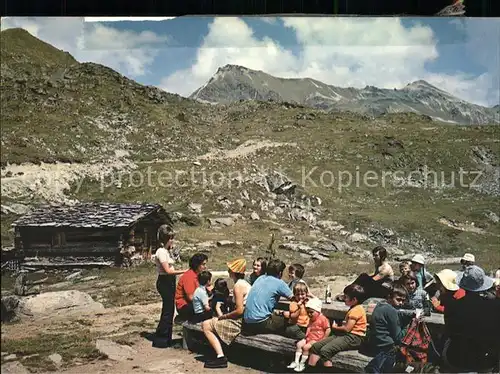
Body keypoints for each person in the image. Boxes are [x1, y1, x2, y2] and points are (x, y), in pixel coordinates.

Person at [442, 265, 499, 373]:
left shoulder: (452, 305)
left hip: (456, 357)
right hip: (486, 359)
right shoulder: (495, 305)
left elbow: (449, 330)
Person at [202, 258, 251, 369]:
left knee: (206, 325)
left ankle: (220, 357)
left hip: (240, 321)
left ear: (233, 271)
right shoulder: (244, 284)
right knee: (210, 323)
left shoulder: (238, 286)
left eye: (230, 269)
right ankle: (220, 354)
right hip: (245, 319)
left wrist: (224, 316)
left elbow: (239, 310)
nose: (228, 271)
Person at [308, 284, 367, 370]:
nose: (344, 299)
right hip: (346, 335)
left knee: (325, 351)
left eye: (346, 297)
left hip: (354, 337)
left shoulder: (357, 310)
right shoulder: (353, 307)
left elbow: (347, 329)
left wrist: (335, 327)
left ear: (354, 299)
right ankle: (310, 370)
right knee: (315, 347)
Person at [242, 259, 294, 336]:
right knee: (288, 321)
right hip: (260, 323)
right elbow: (294, 298)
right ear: (280, 273)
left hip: (246, 322)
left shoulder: (260, 278)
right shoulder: (279, 283)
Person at [153, 234, 187, 348]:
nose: (172, 241)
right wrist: (184, 271)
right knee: (167, 311)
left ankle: (166, 338)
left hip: (169, 281)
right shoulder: (161, 252)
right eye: (170, 239)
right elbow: (167, 270)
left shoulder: (166, 251)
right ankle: (161, 339)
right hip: (165, 281)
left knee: (170, 309)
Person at [365, 285, 408, 373]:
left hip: (375, 344)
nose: (401, 303)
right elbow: (398, 337)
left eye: (403, 301)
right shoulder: (391, 311)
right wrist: (409, 325)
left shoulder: (380, 305)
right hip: (386, 348)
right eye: (398, 299)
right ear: (389, 297)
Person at [287, 298, 330, 372]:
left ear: (317, 311)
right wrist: (305, 337)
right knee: (299, 344)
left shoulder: (323, 319)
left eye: (311, 312)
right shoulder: (311, 319)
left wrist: (324, 339)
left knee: (306, 347)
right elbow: (309, 328)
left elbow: (328, 329)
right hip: (309, 337)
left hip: (317, 339)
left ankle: (302, 363)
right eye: (308, 312)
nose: (309, 314)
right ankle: (296, 362)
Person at [175, 253, 208, 321]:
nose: (205, 267)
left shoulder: (198, 275)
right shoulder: (189, 276)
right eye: (203, 264)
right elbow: (190, 297)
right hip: (184, 306)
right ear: (197, 265)